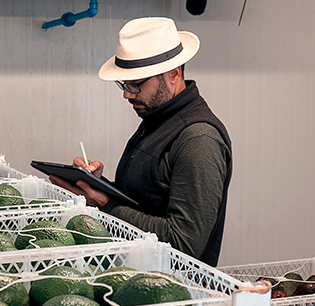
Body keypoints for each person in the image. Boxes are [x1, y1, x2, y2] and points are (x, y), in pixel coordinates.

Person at [49, 16, 232, 267]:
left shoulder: (199, 139)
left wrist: (107, 203)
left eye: (136, 85)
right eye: (124, 84)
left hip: (173, 294)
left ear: (173, 73)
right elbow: (145, 204)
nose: (126, 94)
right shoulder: (157, 118)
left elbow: (183, 244)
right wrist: (100, 186)